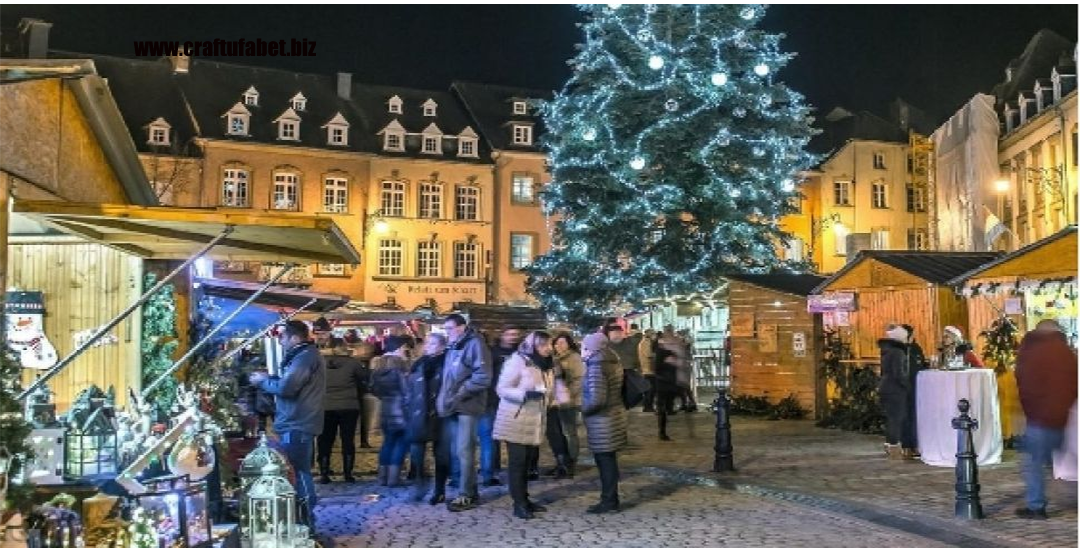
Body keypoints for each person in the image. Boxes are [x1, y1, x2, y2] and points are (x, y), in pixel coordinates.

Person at [249, 320, 325, 531]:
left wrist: (262, 382)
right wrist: (270, 378)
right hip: (298, 419)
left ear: (294, 337)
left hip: (298, 421)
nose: (280, 342)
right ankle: (304, 518)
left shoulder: (305, 357)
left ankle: (306, 520)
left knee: (300, 471)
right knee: (299, 470)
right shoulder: (303, 356)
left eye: (282, 337)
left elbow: (287, 388)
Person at [1014, 319, 1078, 519]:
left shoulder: (1033, 351)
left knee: (1033, 464)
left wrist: (1030, 411)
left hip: (1040, 418)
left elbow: (1025, 382)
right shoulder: (1068, 353)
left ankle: (1036, 506)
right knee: (1060, 460)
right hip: (1061, 417)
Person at [493, 331, 556, 520]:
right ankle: (518, 503)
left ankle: (525, 499)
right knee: (518, 463)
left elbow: (550, 389)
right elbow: (502, 388)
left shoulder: (547, 364)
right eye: (543, 345)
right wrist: (525, 394)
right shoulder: (518, 361)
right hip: (515, 418)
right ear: (533, 346)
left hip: (535, 418)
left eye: (549, 344)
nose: (548, 348)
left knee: (527, 462)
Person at [435, 314, 493, 512]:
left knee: (465, 451)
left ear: (462, 327)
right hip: (454, 405)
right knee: (457, 451)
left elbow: (483, 376)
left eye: (450, 328)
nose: (447, 332)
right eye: (446, 329)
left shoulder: (475, 343)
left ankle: (467, 495)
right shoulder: (455, 345)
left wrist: (461, 392)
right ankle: (467, 489)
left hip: (468, 405)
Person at [581, 333, 628, 514]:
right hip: (614, 415)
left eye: (585, 347)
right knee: (609, 460)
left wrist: (582, 409)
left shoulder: (596, 366)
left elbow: (597, 398)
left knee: (605, 461)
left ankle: (609, 501)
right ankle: (610, 498)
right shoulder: (613, 360)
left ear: (592, 348)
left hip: (602, 420)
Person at [317, 341, 368, 483]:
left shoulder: (320, 363)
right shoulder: (353, 363)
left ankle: (324, 473)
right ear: (344, 348)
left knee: (325, 440)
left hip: (325, 406)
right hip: (349, 405)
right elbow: (364, 378)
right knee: (348, 440)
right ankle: (348, 473)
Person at [406, 333, 447, 503]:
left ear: (442, 346)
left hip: (439, 414)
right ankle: (419, 483)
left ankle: (439, 489)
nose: (429, 345)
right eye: (428, 343)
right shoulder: (419, 363)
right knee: (416, 453)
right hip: (418, 414)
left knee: (441, 454)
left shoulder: (446, 362)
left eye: (433, 343)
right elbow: (409, 388)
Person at [482, 327, 521, 486]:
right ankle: (488, 473)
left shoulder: (521, 353)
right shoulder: (491, 352)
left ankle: (516, 471)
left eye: (516, 334)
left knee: (512, 438)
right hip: (492, 400)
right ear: (502, 335)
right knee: (490, 438)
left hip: (513, 401)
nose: (513, 337)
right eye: (510, 334)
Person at [372, 338, 413, 487]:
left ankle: (383, 477)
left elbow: (374, 389)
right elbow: (407, 391)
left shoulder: (379, 367)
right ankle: (394, 478)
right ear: (397, 349)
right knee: (401, 443)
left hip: (385, 410)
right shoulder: (400, 367)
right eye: (403, 348)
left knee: (388, 442)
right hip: (401, 411)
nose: (405, 351)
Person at [878, 324, 915, 460]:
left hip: (886, 387)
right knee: (896, 418)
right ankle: (894, 447)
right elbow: (899, 373)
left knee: (891, 418)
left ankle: (889, 444)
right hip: (895, 390)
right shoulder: (898, 353)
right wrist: (908, 386)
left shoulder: (887, 351)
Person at [552, 333, 584, 476]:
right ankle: (562, 462)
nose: (559, 345)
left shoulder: (574, 358)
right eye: (557, 343)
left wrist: (567, 396)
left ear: (569, 344)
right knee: (560, 433)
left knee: (569, 432)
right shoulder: (556, 358)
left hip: (570, 401)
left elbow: (579, 379)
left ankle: (571, 461)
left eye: (563, 342)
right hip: (557, 402)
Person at [901, 324, 928, 459]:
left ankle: (916, 445)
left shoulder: (916, 348)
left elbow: (922, 365)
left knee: (916, 416)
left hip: (916, 387)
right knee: (905, 417)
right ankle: (906, 446)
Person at [653, 331, 681, 441]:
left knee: (667, 407)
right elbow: (657, 368)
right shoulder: (660, 352)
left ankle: (663, 430)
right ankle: (662, 431)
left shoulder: (672, 351)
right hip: (663, 383)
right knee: (662, 408)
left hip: (670, 382)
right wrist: (668, 363)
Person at [353, 342, 376, 449]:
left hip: (362, 393)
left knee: (364, 419)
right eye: (364, 349)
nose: (367, 352)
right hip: (354, 394)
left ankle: (363, 440)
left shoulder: (370, 362)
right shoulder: (354, 362)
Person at [638, 329, 658, 413]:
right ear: (649, 334)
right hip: (648, 369)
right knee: (650, 389)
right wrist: (658, 354)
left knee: (650, 389)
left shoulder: (645, 342)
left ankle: (649, 406)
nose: (655, 336)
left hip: (648, 369)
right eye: (653, 334)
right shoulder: (645, 343)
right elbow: (649, 354)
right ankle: (648, 406)